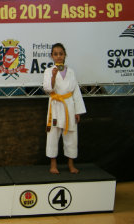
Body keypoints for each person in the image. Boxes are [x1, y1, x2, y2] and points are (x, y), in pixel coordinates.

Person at [42, 43, 86, 174]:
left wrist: (78, 111)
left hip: (68, 105)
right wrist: (53, 76)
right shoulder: (48, 71)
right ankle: (53, 164)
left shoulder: (71, 72)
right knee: (52, 134)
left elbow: (76, 92)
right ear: (52, 56)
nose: (58, 56)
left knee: (71, 135)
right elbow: (47, 89)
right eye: (55, 54)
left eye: (61, 53)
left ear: (65, 55)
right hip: (55, 105)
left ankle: (71, 164)